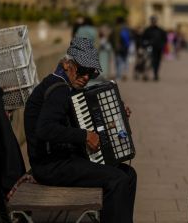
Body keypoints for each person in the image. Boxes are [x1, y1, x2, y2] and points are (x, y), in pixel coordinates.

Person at [24, 38, 137, 223]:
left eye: (91, 74)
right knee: (118, 180)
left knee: (128, 174)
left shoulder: (65, 84)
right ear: (67, 65)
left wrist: (117, 113)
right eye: (82, 71)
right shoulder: (58, 90)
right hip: (50, 166)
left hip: (63, 160)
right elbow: (45, 129)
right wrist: (84, 135)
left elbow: (84, 112)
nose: (85, 77)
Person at [141, 16, 167, 81]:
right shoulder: (147, 30)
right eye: (152, 20)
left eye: (154, 20)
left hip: (158, 49)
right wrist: (144, 45)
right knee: (148, 62)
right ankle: (146, 75)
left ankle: (155, 74)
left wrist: (162, 45)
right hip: (149, 49)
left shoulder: (160, 30)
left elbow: (165, 39)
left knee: (157, 62)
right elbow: (143, 39)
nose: (153, 22)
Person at [111, 16, 131, 81]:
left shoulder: (115, 28)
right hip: (125, 47)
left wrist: (113, 45)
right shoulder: (126, 28)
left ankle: (119, 75)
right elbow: (130, 37)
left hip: (117, 48)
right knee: (125, 61)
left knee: (118, 62)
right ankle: (125, 74)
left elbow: (110, 38)